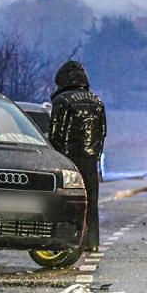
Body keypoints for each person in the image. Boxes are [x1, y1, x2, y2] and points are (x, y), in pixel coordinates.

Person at [48, 60, 107, 251]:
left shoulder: (62, 101)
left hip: (68, 158)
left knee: (66, 200)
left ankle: (68, 240)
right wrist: (96, 154)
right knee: (90, 201)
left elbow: (56, 131)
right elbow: (103, 131)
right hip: (90, 158)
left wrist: (55, 155)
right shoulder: (97, 101)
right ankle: (92, 241)